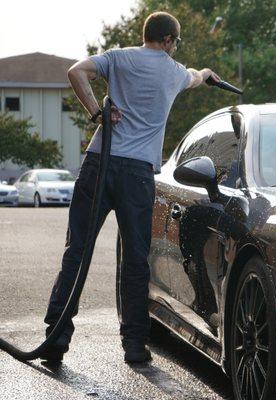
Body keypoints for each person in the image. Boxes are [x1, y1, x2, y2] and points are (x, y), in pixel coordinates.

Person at [42, 11, 221, 364]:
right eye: (175, 42)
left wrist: (97, 112)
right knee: (137, 261)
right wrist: (207, 75)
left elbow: (75, 72)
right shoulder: (173, 71)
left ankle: (55, 339)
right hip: (137, 176)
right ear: (169, 40)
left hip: (98, 165)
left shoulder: (118, 57)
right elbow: (196, 77)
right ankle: (135, 346)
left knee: (76, 252)